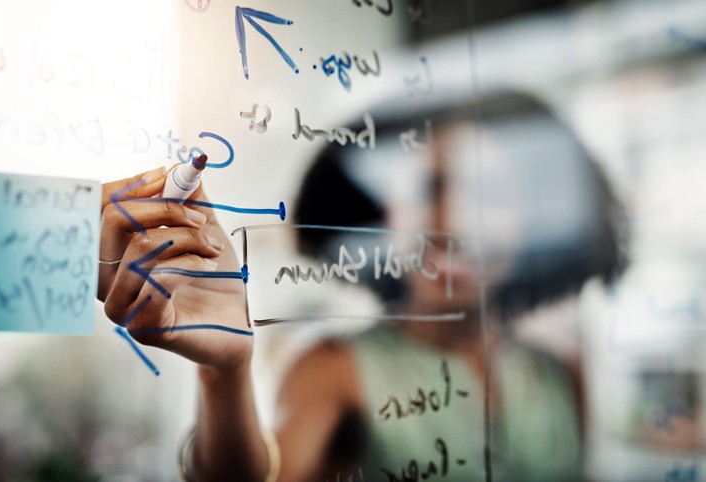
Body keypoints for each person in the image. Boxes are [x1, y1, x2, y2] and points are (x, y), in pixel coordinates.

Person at [97, 91, 627, 481]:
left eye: (491, 193)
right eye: (429, 188)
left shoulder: (561, 373)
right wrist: (225, 373)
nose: (458, 222)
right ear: (383, 213)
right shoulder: (334, 372)